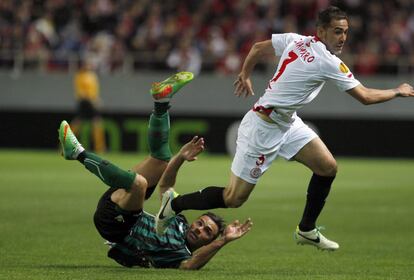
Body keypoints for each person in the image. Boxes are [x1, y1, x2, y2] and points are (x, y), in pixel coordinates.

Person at [155, 6, 414, 251]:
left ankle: (306, 230)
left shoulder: (296, 39)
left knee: (327, 168)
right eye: (337, 31)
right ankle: (173, 204)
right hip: (263, 127)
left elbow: (257, 48)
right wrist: (398, 91)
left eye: (346, 31)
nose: (343, 37)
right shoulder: (328, 61)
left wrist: (245, 73)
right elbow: (365, 96)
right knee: (233, 198)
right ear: (321, 31)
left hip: (287, 122)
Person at [58, 71, 252, 269]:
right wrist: (180, 159)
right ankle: (161, 102)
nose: (199, 229)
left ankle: (78, 153)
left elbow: (190, 265)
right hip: (121, 206)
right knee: (161, 160)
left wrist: (223, 240)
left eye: (207, 232)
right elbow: (165, 186)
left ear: (209, 242)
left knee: (139, 184)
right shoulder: (179, 222)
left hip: (116, 227)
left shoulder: (181, 254)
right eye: (200, 223)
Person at [71, 59, 106, 153]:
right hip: (84, 102)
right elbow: (80, 92)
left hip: (92, 102)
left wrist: (97, 99)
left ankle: (100, 148)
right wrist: (91, 100)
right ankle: (66, 143)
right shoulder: (79, 76)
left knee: (97, 123)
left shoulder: (93, 76)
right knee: (78, 122)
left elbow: (95, 90)